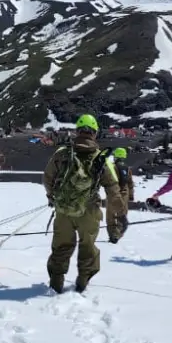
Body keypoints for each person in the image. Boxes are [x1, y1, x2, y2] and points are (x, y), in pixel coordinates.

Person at [43, 114, 127, 294]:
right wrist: (120, 213)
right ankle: (82, 282)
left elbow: (48, 177)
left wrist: (52, 197)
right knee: (87, 246)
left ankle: (56, 283)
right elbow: (112, 189)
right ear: (94, 133)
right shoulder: (100, 159)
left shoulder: (62, 153)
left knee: (61, 247)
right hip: (89, 211)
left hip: (63, 210)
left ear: (77, 131)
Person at [105, 147, 135, 243]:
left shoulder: (112, 167)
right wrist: (131, 195)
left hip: (113, 194)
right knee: (122, 216)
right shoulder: (128, 168)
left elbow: (109, 181)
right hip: (124, 194)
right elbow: (130, 183)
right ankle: (117, 234)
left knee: (111, 216)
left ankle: (112, 235)